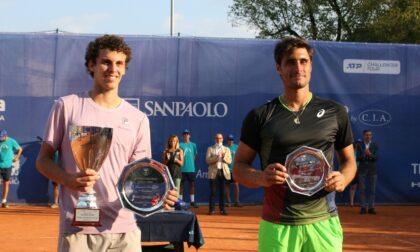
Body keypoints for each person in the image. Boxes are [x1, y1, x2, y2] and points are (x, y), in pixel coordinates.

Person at [36, 34, 178, 252]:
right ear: (91, 65)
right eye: (106, 62)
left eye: (119, 63)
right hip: (78, 231)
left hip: (124, 231)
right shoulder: (67, 106)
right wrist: (69, 180)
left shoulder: (138, 119)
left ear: (125, 69)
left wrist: (159, 195)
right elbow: (43, 160)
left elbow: (140, 176)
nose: (113, 69)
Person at [233, 37, 356, 252]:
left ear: (311, 66)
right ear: (279, 68)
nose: (298, 67)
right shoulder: (260, 116)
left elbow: (349, 162)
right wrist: (261, 177)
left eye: (303, 61)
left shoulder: (335, 112)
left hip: (324, 224)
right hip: (277, 226)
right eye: (290, 62)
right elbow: (239, 168)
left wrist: (343, 178)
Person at [206, 133, 231, 215]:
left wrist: (223, 157)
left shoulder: (226, 149)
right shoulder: (210, 148)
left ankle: (222, 210)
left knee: (223, 192)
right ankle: (212, 210)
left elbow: (230, 161)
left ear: (222, 139)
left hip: (223, 172)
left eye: (220, 138)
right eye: (217, 138)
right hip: (213, 173)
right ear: (215, 139)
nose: (218, 140)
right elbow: (208, 160)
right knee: (213, 192)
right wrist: (216, 157)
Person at [356, 129, 379, 215]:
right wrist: (364, 155)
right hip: (362, 169)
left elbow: (376, 158)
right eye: (366, 135)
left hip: (372, 170)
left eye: (370, 135)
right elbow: (357, 158)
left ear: (371, 136)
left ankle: (371, 207)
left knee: (372, 189)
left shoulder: (375, 145)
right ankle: (363, 207)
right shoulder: (359, 145)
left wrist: (370, 154)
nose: (368, 136)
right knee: (362, 189)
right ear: (363, 136)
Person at [0, 130, 22, 208]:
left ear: (6, 136)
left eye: (2, 137)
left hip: (7, 165)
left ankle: (4, 201)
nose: (1, 139)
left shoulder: (11, 141)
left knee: (6, 183)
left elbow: (20, 149)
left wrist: (16, 158)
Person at [179, 129, 199, 208]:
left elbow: (194, 156)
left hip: (191, 169)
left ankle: (192, 201)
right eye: (184, 134)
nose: (186, 135)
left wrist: (189, 163)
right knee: (181, 185)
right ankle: (180, 201)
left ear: (189, 136)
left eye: (187, 134)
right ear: (183, 136)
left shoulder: (193, 145)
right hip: (182, 169)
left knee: (192, 185)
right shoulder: (180, 145)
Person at [224, 134, 242, 207]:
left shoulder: (236, 147)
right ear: (227, 140)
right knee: (227, 185)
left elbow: (240, 157)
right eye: (229, 139)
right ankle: (229, 202)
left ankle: (237, 201)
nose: (230, 141)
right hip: (227, 169)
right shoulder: (224, 148)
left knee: (236, 184)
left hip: (234, 169)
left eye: (231, 140)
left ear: (233, 140)